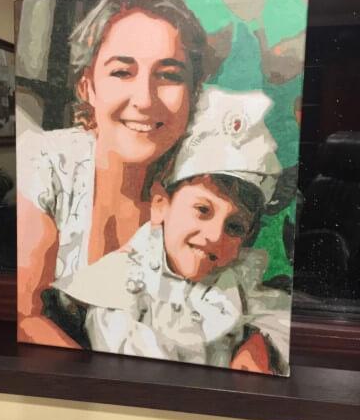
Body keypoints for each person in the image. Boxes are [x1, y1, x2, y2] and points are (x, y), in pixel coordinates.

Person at [17, 0, 217, 348]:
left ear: (194, 92)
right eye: (122, 72)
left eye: (168, 75)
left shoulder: (206, 181)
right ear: (88, 87)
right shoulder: (45, 163)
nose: (144, 99)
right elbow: (24, 316)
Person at [52, 87, 292, 375]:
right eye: (202, 210)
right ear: (160, 205)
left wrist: (257, 344)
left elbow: (276, 313)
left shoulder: (230, 275)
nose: (215, 236)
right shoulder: (118, 294)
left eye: (234, 227)